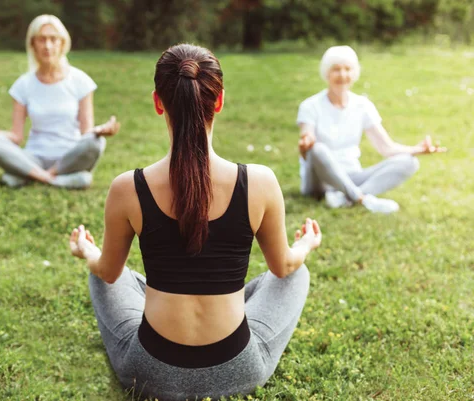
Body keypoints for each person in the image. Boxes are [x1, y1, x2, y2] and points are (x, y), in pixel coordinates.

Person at [69, 44, 322, 400]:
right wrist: (307, 244)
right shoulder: (261, 182)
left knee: (103, 272)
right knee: (299, 273)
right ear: (218, 101)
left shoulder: (128, 188)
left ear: (159, 103)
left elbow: (109, 272)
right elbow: (284, 266)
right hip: (238, 369)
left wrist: (86, 250)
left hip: (149, 372)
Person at [0, 15, 120, 189]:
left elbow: (86, 133)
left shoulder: (81, 81)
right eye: (42, 40)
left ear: (62, 43)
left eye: (53, 39)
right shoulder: (23, 85)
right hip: (33, 158)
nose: (48, 46)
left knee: (97, 141)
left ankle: (27, 176)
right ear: (33, 44)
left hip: (69, 158)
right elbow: (16, 136)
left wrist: (100, 131)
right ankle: (54, 180)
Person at [297, 46, 446, 213]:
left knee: (409, 162)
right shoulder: (310, 106)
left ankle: (345, 197)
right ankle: (360, 198)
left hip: (353, 176)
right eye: (336, 69)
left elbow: (386, 148)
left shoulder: (362, 105)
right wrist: (306, 143)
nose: (343, 75)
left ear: (355, 73)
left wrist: (418, 150)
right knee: (317, 149)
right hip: (319, 181)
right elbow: (307, 140)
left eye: (348, 69)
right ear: (327, 73)